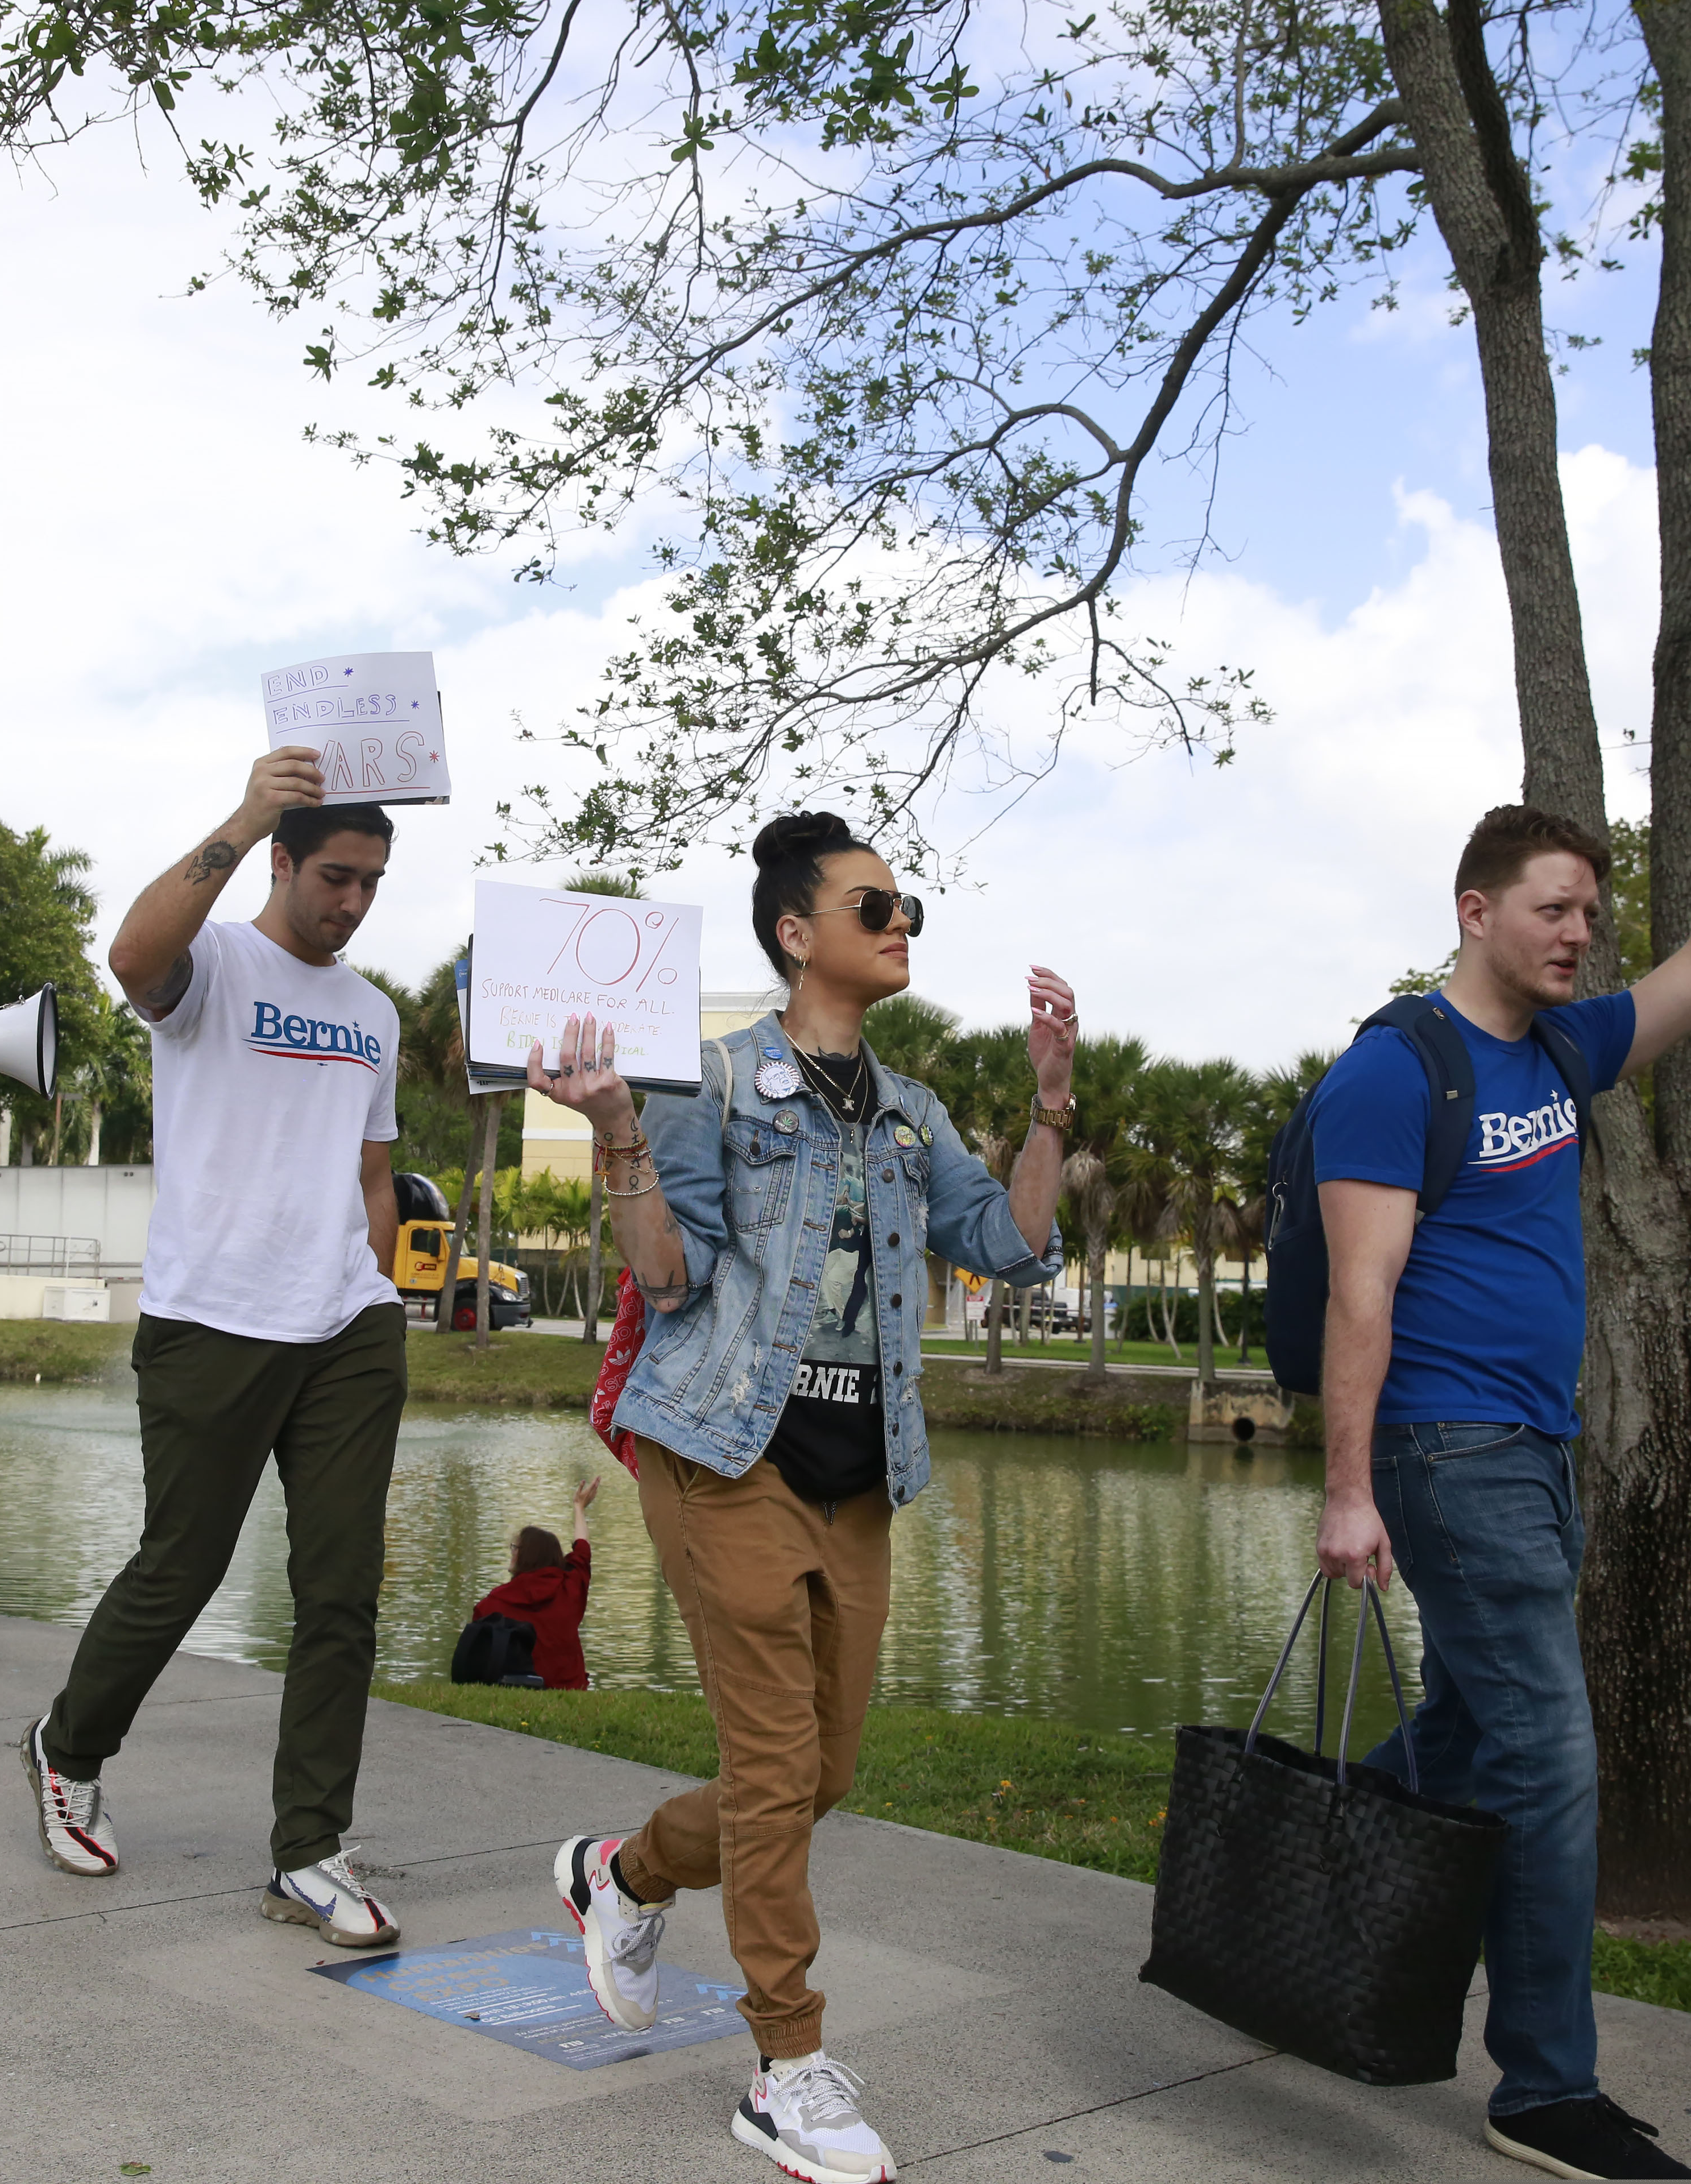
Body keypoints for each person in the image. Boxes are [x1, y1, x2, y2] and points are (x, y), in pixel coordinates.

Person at [1306, 764, 1691, 2179]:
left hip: (1534, 1446)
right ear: (1474, 909)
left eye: (1588, 914)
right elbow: (1355, 1294)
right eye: (1553, 910)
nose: (1578, 934)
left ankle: (1319, 1888)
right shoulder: (1395, 1068)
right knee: (1551, 1758)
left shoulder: (1559, 1055)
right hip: (1445, 1445)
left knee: (1473, 1726)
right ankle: (1543, 2085)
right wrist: (1345, 1485)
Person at [539, 810, 1074, 2184]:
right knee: (776, 1769)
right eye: (873, 904)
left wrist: (1051, 1108)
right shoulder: (712, 1083)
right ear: (796, 931)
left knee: (819, 1774)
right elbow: (664, 1278)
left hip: (859, 1477)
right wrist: (615, 1131)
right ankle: (785, 2063)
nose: (899, 925)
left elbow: (1012, 1243)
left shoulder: (910, 1113)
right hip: (723, 1450)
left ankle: (628, 1872)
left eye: (905, 909)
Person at [16, 752, 410, 1952]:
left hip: (347, 1323)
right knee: (180, 1567)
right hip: (213, 1319)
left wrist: (383, 1279)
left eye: (373, 885)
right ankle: (68, 1746)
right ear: (285, 861)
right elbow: (131, 959)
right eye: (335, 876)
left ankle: (310, 1851)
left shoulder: (375, 1013)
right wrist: (244, 814)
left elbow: (373, 1169)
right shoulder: (217, 967)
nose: (351, 903)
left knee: (340, 1593)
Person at [466, 1475, 601, 1691]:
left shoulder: (492, 1605)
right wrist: (579, 1508)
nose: (512, 1553)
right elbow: (582, 1550)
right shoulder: (569, 1589)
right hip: (569, 1691)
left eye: (515, 1548)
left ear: (524, 1555)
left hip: (512, 1692)